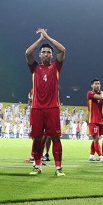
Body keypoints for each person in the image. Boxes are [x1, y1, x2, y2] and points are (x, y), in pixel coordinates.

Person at [25, 28, 66, 176]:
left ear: (52, 55)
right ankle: (37, 166)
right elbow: (28, 53)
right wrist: (40, 40)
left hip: (52, 108)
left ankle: (58, 168)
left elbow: (62, 50)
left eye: (49, 52)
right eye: (44, 52)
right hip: (36, 108)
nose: (46, 54)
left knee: (55, 137)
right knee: (37, 138)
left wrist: (48, 37)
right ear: (40, 55)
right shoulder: (35, 67)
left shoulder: (56, 67)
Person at [86, 78, 103, 162]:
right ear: (92, 85)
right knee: (96, 138)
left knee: (97, 138)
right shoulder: (90, 93)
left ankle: (91, 155)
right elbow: (100, 96)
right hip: (93, 119)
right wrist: (102, 94)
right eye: (95, 83)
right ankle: (101, 156)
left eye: (99, 83)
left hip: (101, 120)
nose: (97, 85)